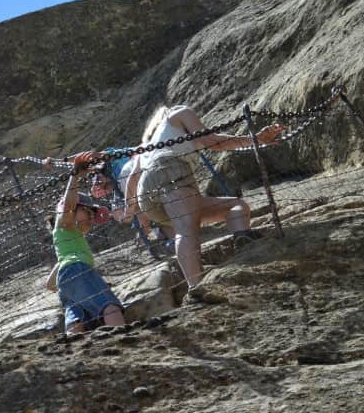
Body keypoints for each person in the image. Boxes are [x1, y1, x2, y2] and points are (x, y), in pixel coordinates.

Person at [122, 104, 284, 289]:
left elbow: (133, 178)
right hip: (172, 172)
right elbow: (212, 141)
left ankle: (242, 238)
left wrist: (129, 210)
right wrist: (256, 139)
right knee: (186, 230)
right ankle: (196, 287)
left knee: (235, 206)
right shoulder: (179, 114)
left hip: (149, 200)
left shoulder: (149, 144)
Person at [50, 156, 125, 335]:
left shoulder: (67, 241)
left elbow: (50, 284)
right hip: (79, 270)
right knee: (109, 304)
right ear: (74, 209)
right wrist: (74, 176)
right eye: (88, 211)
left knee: (76, 317)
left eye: (93, 215)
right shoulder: (64, 223)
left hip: (66, 284)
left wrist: (71, 284)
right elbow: (68, 206)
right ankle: (123, 334)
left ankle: (75, 348)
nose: (92, 218)